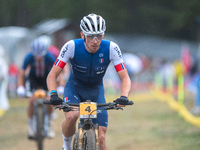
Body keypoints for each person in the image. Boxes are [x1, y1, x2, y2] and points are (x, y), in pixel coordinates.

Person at [46, 13, 131, 150]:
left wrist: (124, 96)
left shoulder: (111, 48)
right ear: (82, 35)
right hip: (75, 88)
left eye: (99, 35)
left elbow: (125, 77)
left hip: (96, 92)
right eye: (91, 36)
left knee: (101, 138)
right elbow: (52, 75)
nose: (95, 40)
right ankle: (66, 146)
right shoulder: (71, 46)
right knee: (72, 116)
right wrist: (54, 94)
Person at [16, 36, 56, 138]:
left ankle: (49, 124)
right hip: (33, 78)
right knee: (31, 100)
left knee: (48, 100)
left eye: (41, 55)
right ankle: (31, 127)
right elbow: (21, 74)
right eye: (36, 55)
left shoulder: (50, 57)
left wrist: (59, 86)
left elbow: (57, 73)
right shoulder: (28, 57)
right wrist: (20, 87)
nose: (38, 58)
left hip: (46, 78)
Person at [0, 44, 9, 112]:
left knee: (2, 93)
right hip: (2, 79)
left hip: (2, 80)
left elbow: (4, 72)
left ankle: (3, 105)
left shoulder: (2, 61)